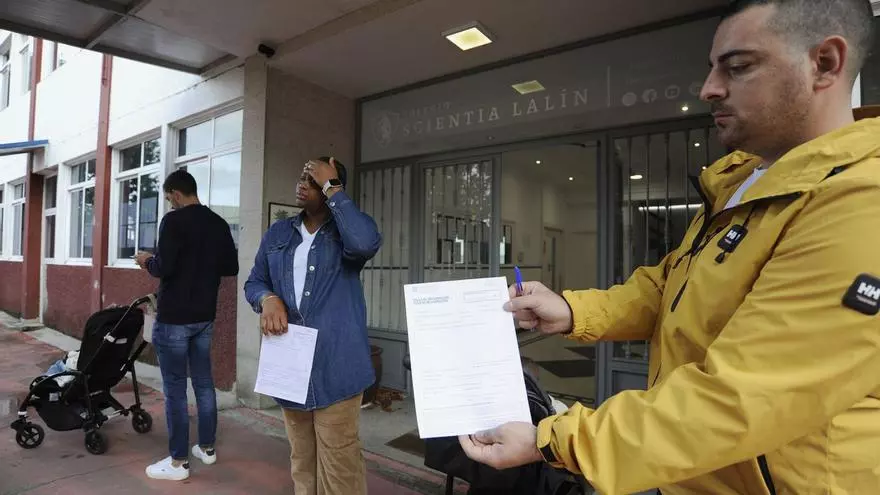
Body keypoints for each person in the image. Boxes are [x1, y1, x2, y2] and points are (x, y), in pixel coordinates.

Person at [459, 1, 880, 494]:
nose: (709, 88)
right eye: (712, 68)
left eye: (738, 67)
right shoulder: (740, 183)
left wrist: (552, 440)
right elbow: (669, 287)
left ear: (824, 63)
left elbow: (738, 398)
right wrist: (572, 310)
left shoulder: (859, 202)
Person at [244, 156, 382, 495]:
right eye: (302, 178)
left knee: (339, 464)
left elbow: (365, 243)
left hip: (337, 365)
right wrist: (267, 298)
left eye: (312, 180)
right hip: (290, 365)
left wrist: (332, 187)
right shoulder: (279, 233)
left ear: (331, 186)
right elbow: (255, 281)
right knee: (302, 460)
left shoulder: (346, 232)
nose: (301, 185)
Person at [135, 169, 239, 481]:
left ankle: (178, 462)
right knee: (204, 384)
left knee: (176, 391)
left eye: (169, 198)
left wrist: (146, 260)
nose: (170, 204)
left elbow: (163, 267)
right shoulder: (218, 223)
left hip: (174, 320)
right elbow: (231, 266)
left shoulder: (173, 221)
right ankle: (207, 448)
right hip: (204, 317)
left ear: (177, 194)